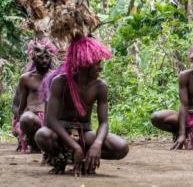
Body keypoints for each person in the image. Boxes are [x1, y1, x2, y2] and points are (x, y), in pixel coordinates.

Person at [35, 37, 129, 175]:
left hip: (84, 133)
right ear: (84, 62)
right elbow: (51, 121)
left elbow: (104, 123)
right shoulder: (60, 82)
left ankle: (86, 159)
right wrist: (75, 147)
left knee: (121, 147)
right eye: (97, 63)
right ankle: (61, 160)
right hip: (60, 133)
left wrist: (97, 144)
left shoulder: (100, 86)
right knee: (42, 135)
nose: (101, 67)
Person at [12, 40, 58, 153]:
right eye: (41, 58)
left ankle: (42, 142)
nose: (45, 61)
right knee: (26, 119)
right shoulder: (26, 79)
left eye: (47, 57)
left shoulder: (57, 77)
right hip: (31, 118)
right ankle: (32, 141)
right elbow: (17, 105)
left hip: (51, 118)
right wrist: (20, 124)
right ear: (33, 58)